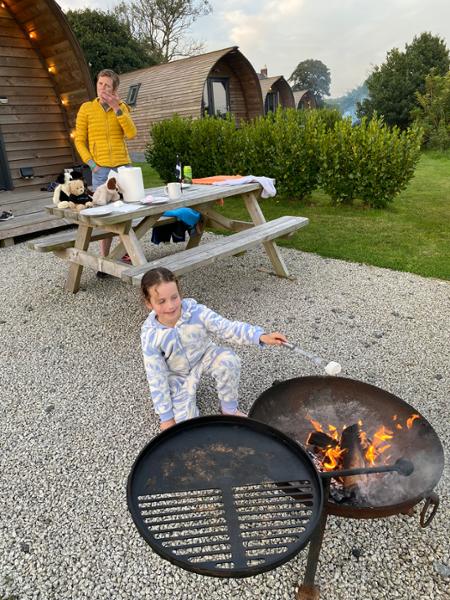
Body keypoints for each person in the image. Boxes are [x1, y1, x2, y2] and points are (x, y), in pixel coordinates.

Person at [140, 267, 287, 431]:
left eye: (174, 297)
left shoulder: (196, 312)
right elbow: (156, 375)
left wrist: (260, 336)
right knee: (185, 427)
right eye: (161, 301)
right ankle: (184, 403)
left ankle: (229, 409)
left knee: (228, 360)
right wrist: (166, 417)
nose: (171, 305)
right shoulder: (150, 335)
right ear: (149, 303)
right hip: (177, 374)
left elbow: (227, 328)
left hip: (204, 356)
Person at [74, 69, 137, 263]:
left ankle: (126, 253)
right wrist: (92, 165)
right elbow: (79, 140)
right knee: (106, 216)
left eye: (107, 85)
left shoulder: (122, 107)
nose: (102, 88)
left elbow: (131, 133)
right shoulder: (86, 108)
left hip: (123, 168)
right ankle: (106, 257)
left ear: (114, 89)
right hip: (101, 170)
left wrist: (116, 108)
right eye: (100, 84)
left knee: (127, 211)